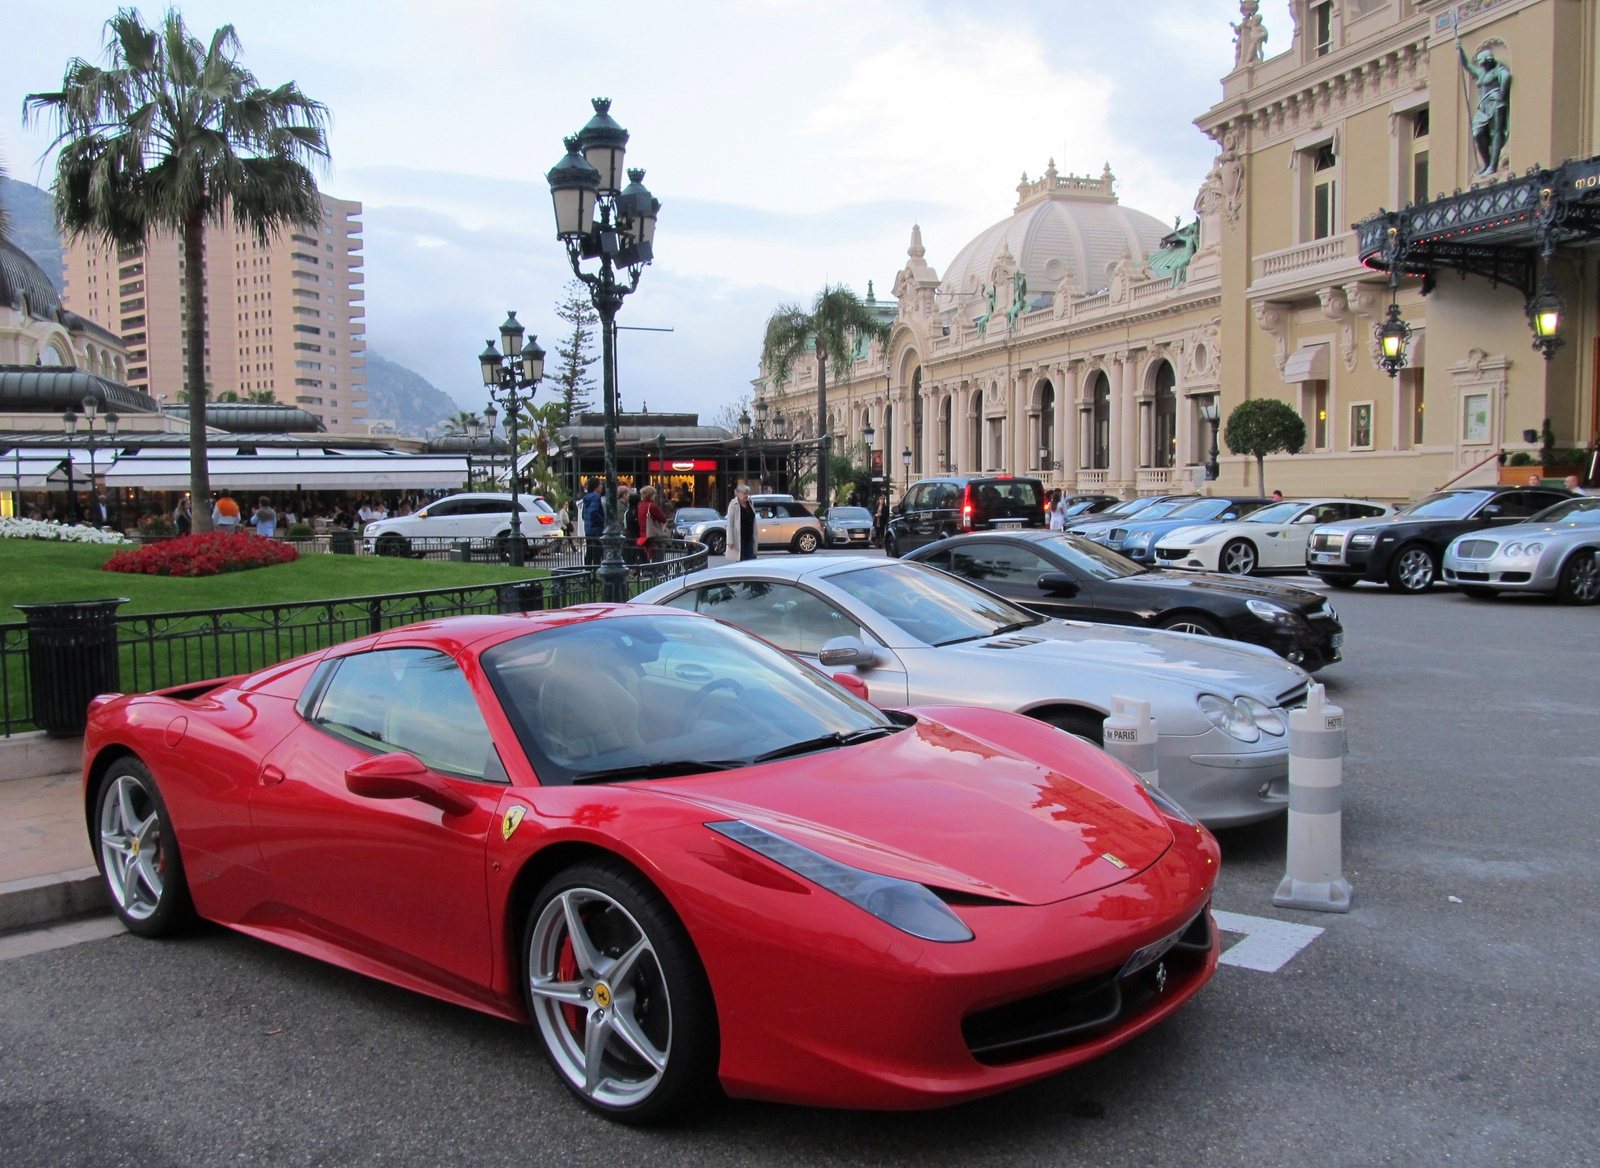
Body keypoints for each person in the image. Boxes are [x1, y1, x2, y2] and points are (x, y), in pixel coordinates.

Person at [726, 484, 758, 562]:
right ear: (738, 493)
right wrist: (730, 540)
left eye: (747, 493)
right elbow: (730, 523)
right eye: (744, 493)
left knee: (751, 559)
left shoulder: (750, 503)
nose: (746, 496)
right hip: (739, 537)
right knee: (741, 559)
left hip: (749, 536)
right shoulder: (733, 505)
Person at [637, 485, 669, 563]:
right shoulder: (652, 506)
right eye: (654, 494)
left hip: (643, 536)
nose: (655, 496)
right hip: (653, 536)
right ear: (651, 495)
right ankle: (657, 572)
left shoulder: (641, 506)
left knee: (646, 559)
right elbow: (663, 519)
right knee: (658, 558)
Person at [580, 477, 605, 565]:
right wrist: (602, 520)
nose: (602, 486)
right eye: (600, 484)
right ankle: (595, 572)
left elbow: (583, 514)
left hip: (588, 529)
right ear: (596, 486)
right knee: (597, 554)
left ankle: (588, 572)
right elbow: (593, 512)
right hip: (596, 529)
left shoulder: (586, 498)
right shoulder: (596, 497)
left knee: (590, 552)